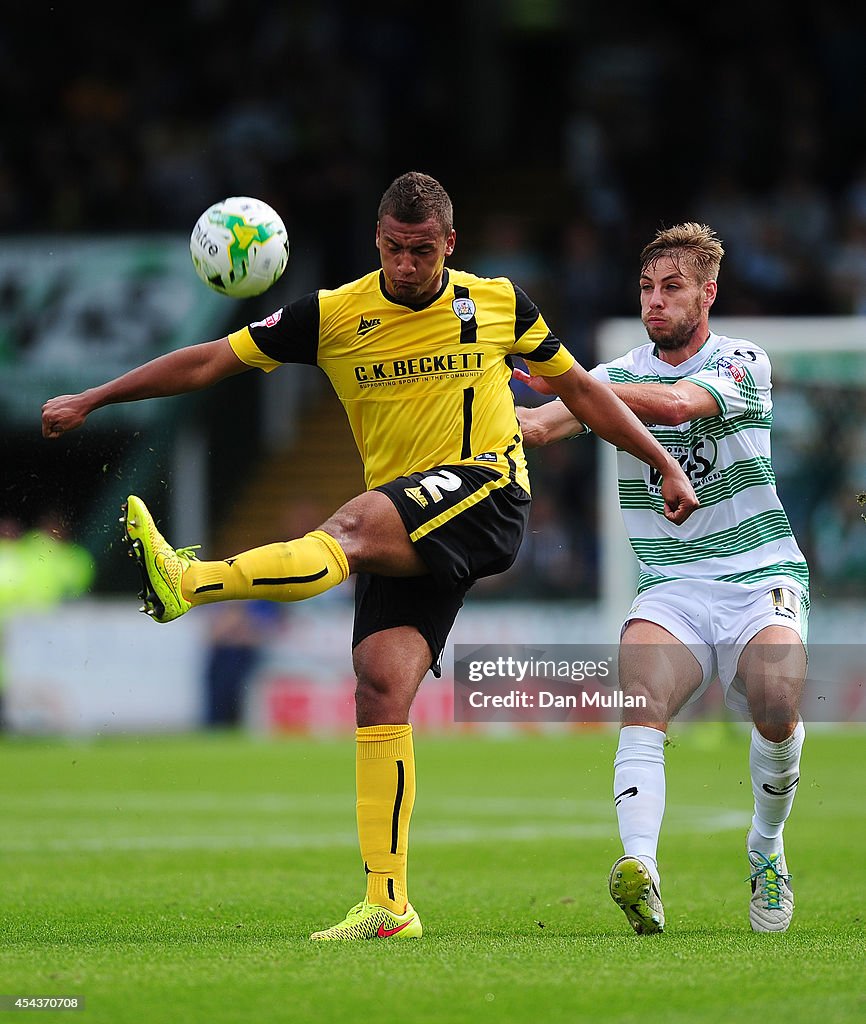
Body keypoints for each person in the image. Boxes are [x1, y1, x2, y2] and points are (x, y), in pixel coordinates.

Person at [42, 172, 698, 941]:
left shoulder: (497, 303)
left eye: (422, 251)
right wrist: (94, 397)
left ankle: (188, 581)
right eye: (393, 249)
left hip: (485, 492)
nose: (406, 265)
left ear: (449, 244)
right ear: (377, 241)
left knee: (350, 530)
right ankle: (389, 904)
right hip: (411, 514)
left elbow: (581, 392)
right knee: (380, 687)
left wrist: (664, 460)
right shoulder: (334, 314)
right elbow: (207, 362)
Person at [515, 222, 809, 934]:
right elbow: (541, 426)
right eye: (646, 288)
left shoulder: (744, 361)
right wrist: (478, 401)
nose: (655, 301)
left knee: (776, 696)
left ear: (707, 294)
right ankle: (641, 868)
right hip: (672, 583)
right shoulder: (609, 376)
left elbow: (676, 404)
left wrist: (585, 389)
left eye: (671, 288)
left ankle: (765, 847)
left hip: (757, 572)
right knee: (640, 694)